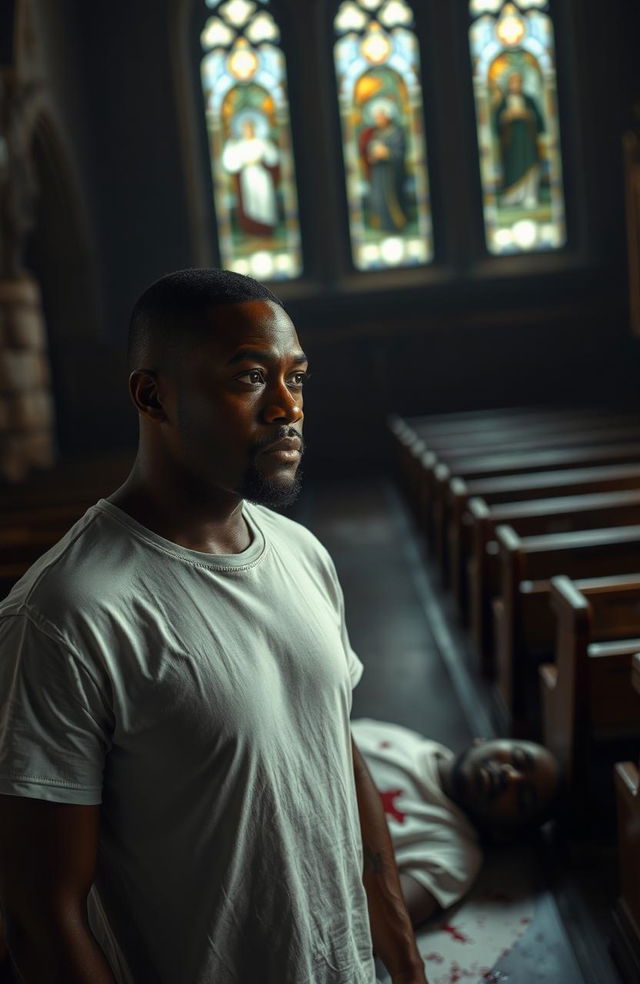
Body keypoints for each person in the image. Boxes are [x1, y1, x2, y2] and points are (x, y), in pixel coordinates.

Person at [0, 269, 428, 984]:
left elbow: (336, 747)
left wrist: (404, 961)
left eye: (298, 377)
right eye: (252, 377)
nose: (288, 406)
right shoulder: (67, 615)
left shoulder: (302, 552)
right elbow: (42, 917)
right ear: (152, 395)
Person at [352, 719, 560, 928]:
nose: (511, 776)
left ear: (507, 832)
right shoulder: (400, 738)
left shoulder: (453, 855)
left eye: (523, 797)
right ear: (483, 741)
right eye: (518, 759)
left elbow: (372, 922)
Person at [493, 72, 545, 210]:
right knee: (512, 168)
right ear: (509, 85)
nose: (515, 85)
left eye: (518, 82)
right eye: (513, 82)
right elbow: (496, 126)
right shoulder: (503, 102)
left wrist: (527, 114)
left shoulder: (529, 100)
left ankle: (530, 196)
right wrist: (506, 117)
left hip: (528, 143)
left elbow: (540, 123)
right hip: (511, 145)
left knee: (530, 166)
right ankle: (512, 196)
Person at [221, 115, 280, 236]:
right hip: (247, 177)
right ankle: (252, 231)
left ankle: (266, 230)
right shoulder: (238, 145)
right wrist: (229, 145)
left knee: (264, 202)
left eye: (250, 127)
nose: (248, 130)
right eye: (246, 128)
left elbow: (273, 158)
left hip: (261, 176)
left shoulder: (262, 142)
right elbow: (231, 164)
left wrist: (267, 148)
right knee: (251, 205)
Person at [359, 99, 408, 233]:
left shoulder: (396, 132)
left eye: (381, 116)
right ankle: (382, 225)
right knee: (377, 198)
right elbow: (369, 151)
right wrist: (373, 155)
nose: (378, 119)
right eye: (376, 117)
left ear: (387, 116)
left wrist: (386, 153)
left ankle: (395, 227)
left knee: (392, 199)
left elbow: (400, 153)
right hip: (378, 172)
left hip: (391, 173)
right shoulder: (375, 133)